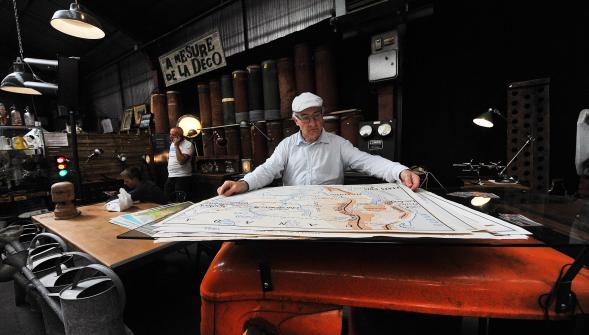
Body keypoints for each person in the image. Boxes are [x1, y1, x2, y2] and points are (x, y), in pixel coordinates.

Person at [218, 92, 420, 196]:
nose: (313, 123)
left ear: (323, 116)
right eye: (305, 118)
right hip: (296, 210)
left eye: (317, 115)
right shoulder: (287, 146)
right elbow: (268, 170)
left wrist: (400, 172)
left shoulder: (338, 144)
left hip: (331, 210)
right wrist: (243, 184)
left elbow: (369, 161)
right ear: (295, 120)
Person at [165, 127, 195, 201]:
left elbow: (181, 161)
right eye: (170, 134)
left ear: (179, 136)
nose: (170, 136)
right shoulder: (172, 144)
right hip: (171, 175)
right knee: (167, 199)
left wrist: (176, 146)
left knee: (180, 201)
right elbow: (171, 156)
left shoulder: (188, 145)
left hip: (182, 176)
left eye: (173, 135)